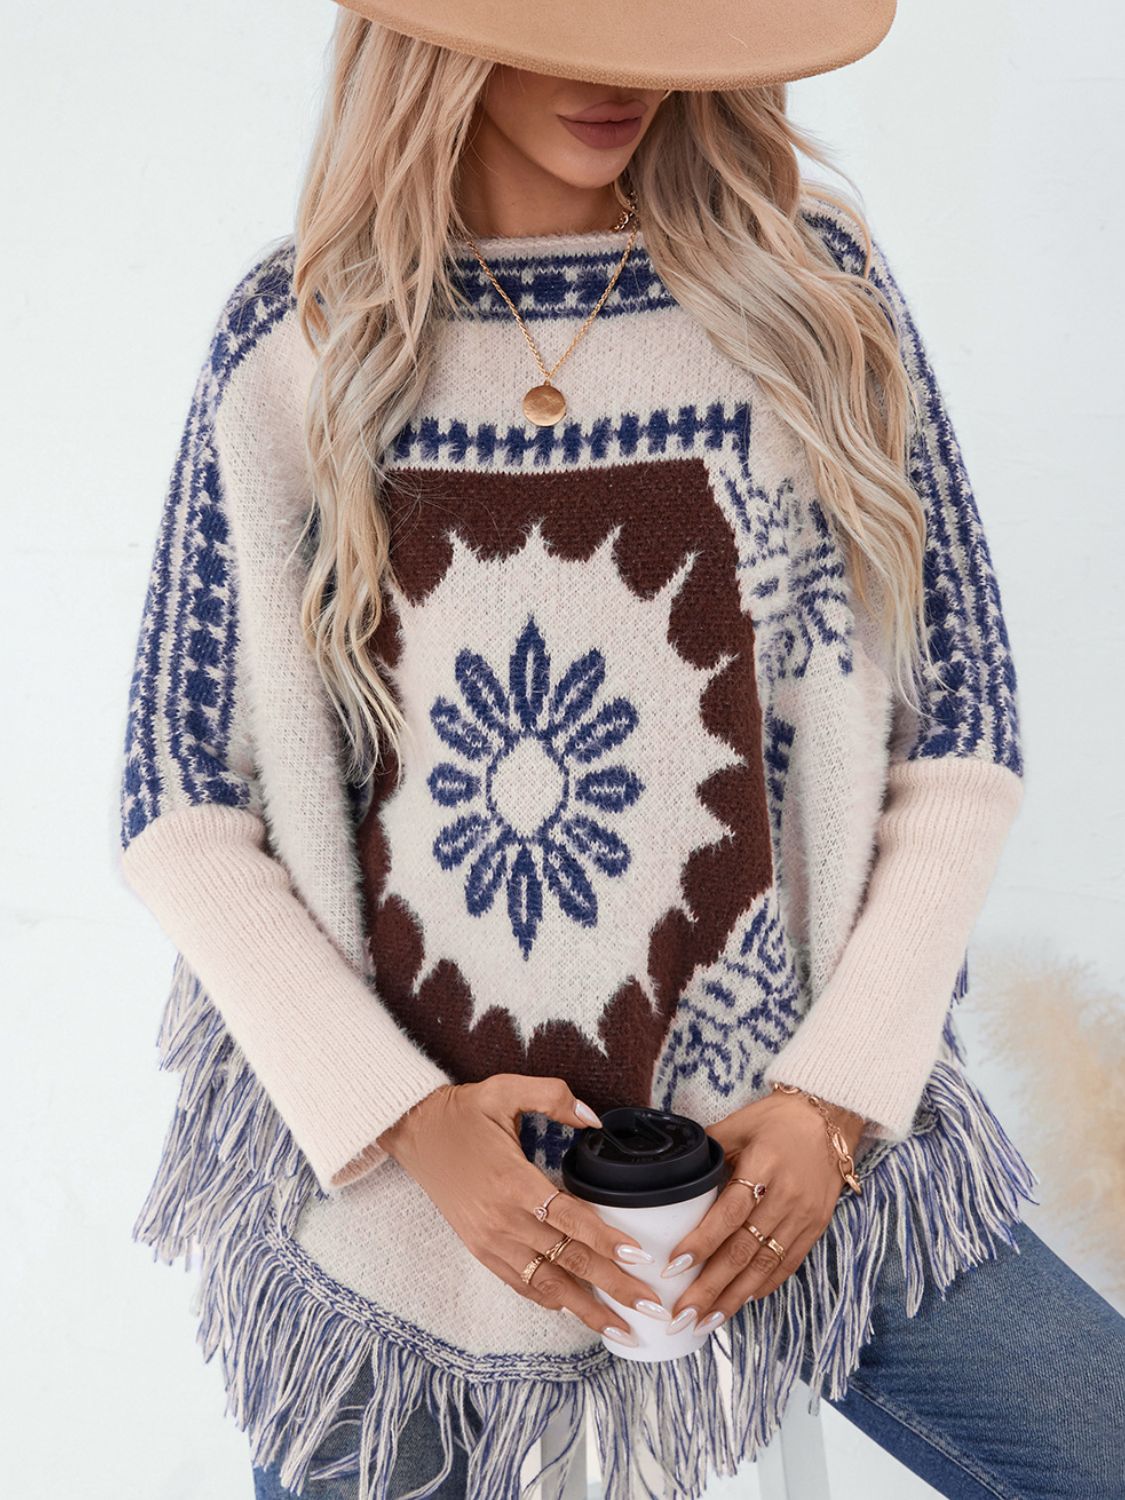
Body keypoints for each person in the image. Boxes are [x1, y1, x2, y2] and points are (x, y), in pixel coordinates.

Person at [116, 2, 1125, 1497]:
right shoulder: (300, 339)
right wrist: (411, 1126)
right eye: (563, 23)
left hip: (796, 1137)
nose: (620, 77)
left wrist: (838, 1101)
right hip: (422, 1190)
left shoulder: (809, 296)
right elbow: (182, 806)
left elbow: (959, 730)